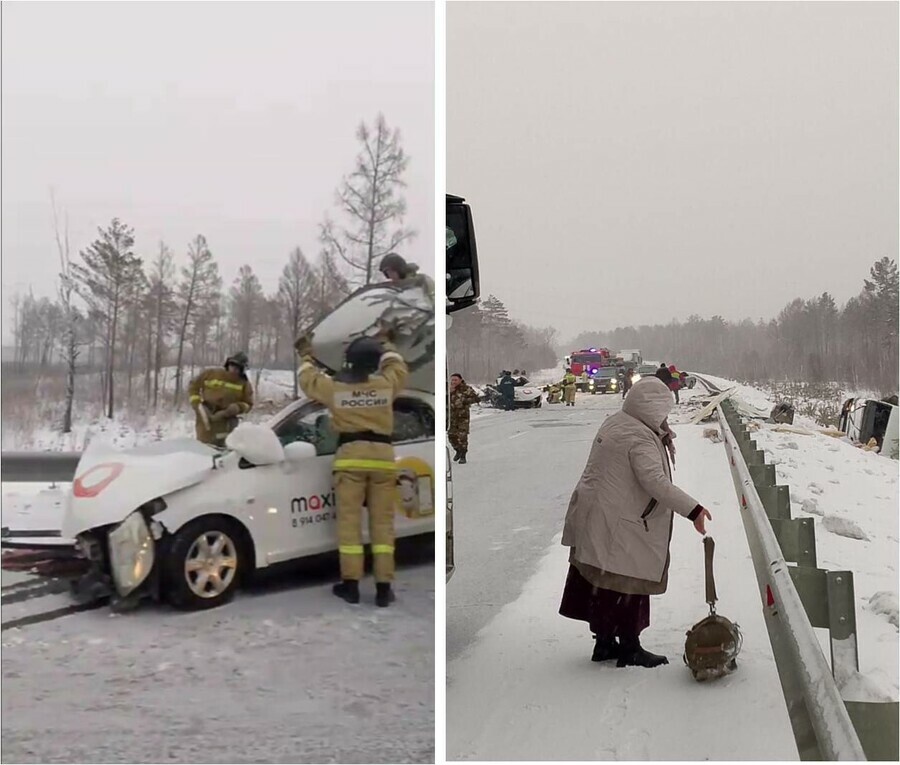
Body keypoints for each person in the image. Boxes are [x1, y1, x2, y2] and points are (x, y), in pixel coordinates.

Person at [559, 376, 712, 668]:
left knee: (603, 583)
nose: (665, 417)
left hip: (599, 514)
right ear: (652, 408)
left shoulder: (618, 421)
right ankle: (630, 647)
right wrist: (693, 510)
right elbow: (654, 481)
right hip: (620, 520)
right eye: (663, 411)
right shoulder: (640, 437)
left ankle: (604, 643)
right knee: (629, 583)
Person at [294, 323, 408, 608]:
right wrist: (387, 343)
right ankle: (384, 588)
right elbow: (398, 367)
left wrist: (306, 354)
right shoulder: (385, 385)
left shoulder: (337, 389)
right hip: (383, 460)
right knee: (383, 527)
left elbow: (309, 380)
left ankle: (351, 586)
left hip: (351, 460)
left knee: (350, 525)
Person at [188, 352, 254, 446]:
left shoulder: (244, 384)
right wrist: (197, 404)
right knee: (204, 447)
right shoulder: (211, 373)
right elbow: (193, 386)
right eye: (232, 365)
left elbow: (249, 404)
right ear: (228, 364)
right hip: (206, 416)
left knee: (224, 448)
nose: (234, 370)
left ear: (242, 370)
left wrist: (237, 407)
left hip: (227, 421)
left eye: (238, 368)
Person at [449, 373, 480, 463]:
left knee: (462, 436)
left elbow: (476, 399)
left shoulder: (466, 389)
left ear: (460, 380)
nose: (453, 382)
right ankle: (458, 450)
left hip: (463, 417)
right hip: (452, 417)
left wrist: (464, 401)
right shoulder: (449, 389)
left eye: (455, 380)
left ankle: (463, 455)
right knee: (451, 436)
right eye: (452, 380)